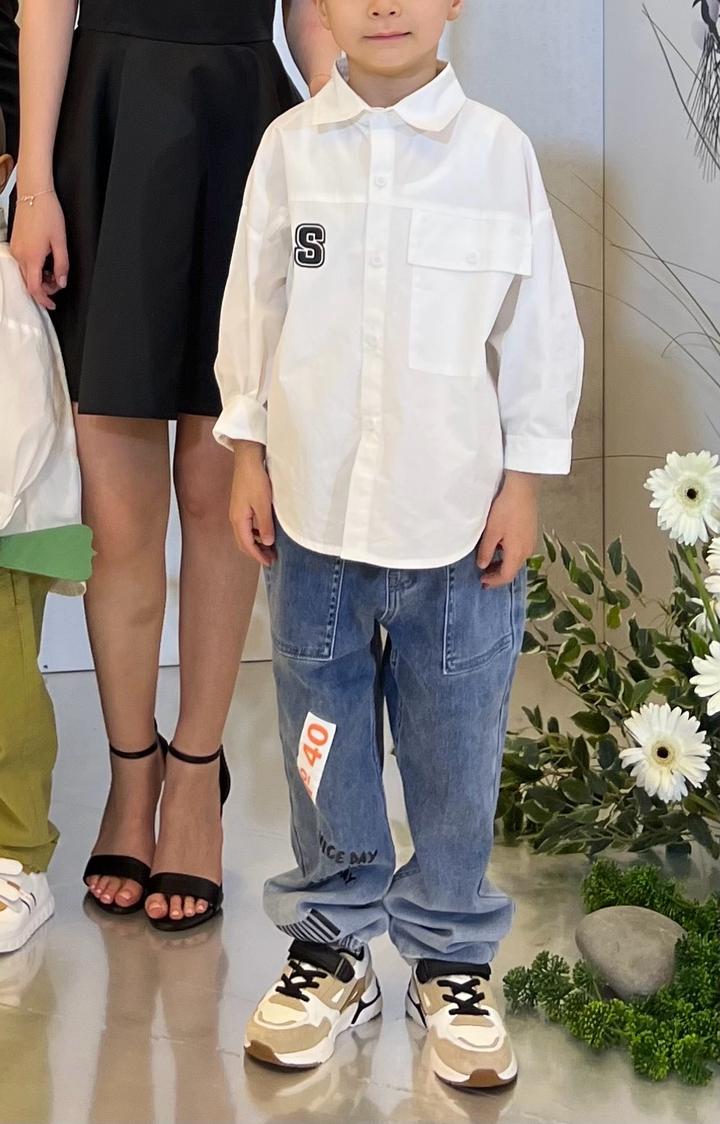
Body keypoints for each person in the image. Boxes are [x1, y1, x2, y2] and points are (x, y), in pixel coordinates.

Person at [215, 0, 584, 1089]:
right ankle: (333, 942)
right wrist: (247, 452)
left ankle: (451, 956)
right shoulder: (290, 151)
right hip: (315, 520)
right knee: (321, 738)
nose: (385, 5)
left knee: (456, 749)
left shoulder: (498, 155)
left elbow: (538, 328)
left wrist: (524, 481)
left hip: (458, 530)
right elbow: (254, 311)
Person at [10, 0, 339, 931]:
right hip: (105, 124)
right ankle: (131, 771)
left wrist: (340, 140)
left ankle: (195, 771)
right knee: (117, 516)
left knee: (218, 487)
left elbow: (313, 14)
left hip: (243, 125)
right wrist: (35, 186)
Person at [0, 86, 93, 953]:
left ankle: (19, 855)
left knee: (8, 697)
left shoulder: (6, 292)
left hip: (9, 528)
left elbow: (23, 422)